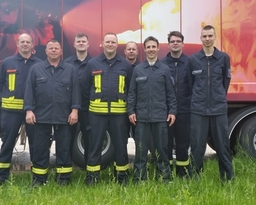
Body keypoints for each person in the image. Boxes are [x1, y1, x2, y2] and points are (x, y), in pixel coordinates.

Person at [24, 39, 80, 186]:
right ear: (46, 51)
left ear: (61, 51)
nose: (54, 50)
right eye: (51, 48)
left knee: (64, 147)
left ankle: (64, 179)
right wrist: (29, 110)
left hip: (64, 116)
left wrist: (75, 111)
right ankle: (39, 179)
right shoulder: (36, 69)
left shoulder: (70, 69)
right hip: (41, 116)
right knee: (40, 148)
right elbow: (29, 90)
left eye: (56, 48)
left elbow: (76, 91)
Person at [81, 32, 132, 185]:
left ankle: (121, 176)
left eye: (113, 42)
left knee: (121, 145)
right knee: (94, 145)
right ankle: (92, 177)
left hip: (119, 114)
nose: (110, 44)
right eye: (107, 42)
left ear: (117, 45)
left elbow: (130, 89)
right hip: (97, 113)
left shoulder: (125, 65)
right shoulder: (93, 64)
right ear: (102, 44)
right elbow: (85, 87)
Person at [127, 36, 177, 183]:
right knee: (141, 150)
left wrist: (172, 111)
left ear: (158, 48)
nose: (151, 49)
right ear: (144, 49)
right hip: (141, 118)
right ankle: (139, 178)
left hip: (160, 117)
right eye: (148, 47)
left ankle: (164, 178)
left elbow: (170, 93)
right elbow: (132, 93)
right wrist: (131, 111)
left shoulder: (164, 69)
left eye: (153, 47)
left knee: (161, 149)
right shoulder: (138, 69)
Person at [188, 25, 234, 181]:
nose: (207, 39)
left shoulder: (223, 58)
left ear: (215, 37)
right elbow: (190, 83)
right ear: (200, 38)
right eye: (204, 36)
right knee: (197, 146)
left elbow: (226, 81)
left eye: (210, 36)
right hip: (198, 110)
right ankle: (195, 178)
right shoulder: (193, 60)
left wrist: (218, 96)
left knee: (222, 146)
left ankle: (227, 178)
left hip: (218, 109)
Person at [0, 33, 41, 185]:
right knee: (7, 143)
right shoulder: (7, 63)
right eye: (22, 42)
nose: (25, 44)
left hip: (33, 111)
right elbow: (0, 84)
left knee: (36, 143)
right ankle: (1, 177)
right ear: (17, 43)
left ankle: (37, 178)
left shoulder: (39, 64)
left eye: (28, 42)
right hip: (11, 112)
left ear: (33, 44)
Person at [161, 31, 192, 178]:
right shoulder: (162, 64)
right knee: (165, 143)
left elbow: (194, 86)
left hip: (185, 109)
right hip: (166, 111)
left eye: (178, 41)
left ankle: (183, 172)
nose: (175, 43)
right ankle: (166, 173)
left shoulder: (190, 62)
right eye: (172, 41)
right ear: (168, 44)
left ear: (182, 44)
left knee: (183, 143)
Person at [64, 33, 92, 162]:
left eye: (83, 41)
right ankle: (66, 170)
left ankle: (89, 170)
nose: (81, 43)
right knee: (67, 139)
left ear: (88, 44)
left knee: (89, 140)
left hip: (88, 108)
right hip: (69, 109)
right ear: (74, 44)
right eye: (78, 41)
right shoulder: (66, 63)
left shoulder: (94, 63)